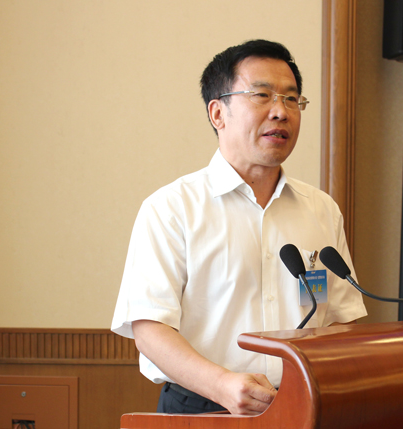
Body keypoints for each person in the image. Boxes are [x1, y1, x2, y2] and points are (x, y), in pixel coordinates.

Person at [111, 39, 367, 416]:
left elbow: (344, 320)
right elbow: (150, 329)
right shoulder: (171, 208)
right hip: (201, 408)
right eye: (262, 95)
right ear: (218, 113)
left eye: (292, 99)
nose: (280, 112)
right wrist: (223, 385)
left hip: (302, 405)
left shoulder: (321, 210)